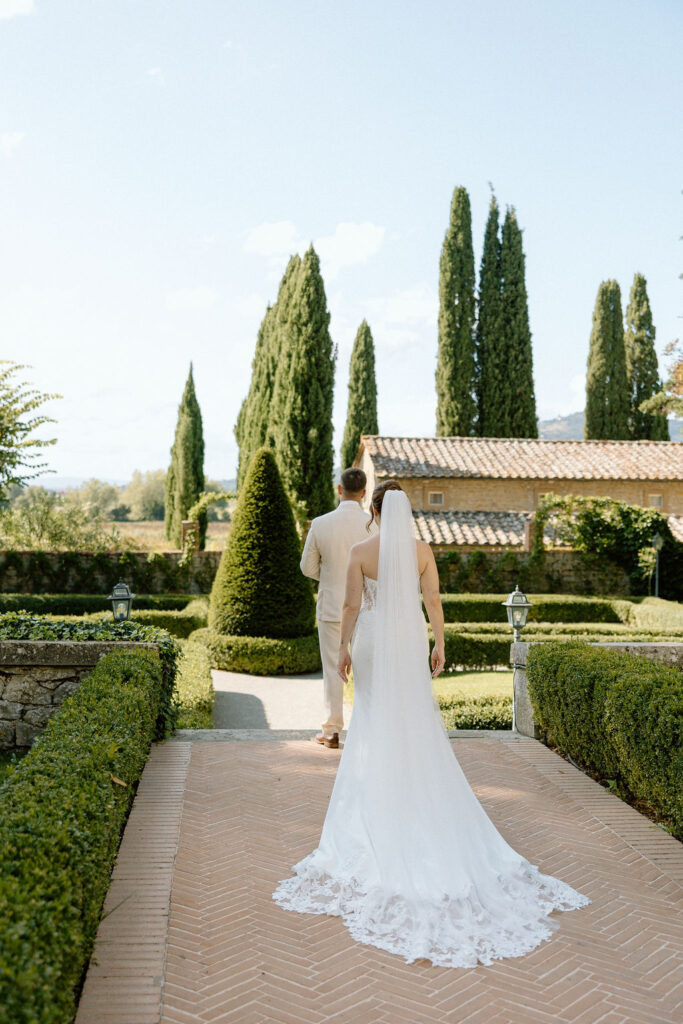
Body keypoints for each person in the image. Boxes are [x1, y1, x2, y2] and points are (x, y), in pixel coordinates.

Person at [274, 481, 590, 968]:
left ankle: (380, 795)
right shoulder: (423, 551)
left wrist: (341, 650)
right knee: (415, 717)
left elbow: (352, 608)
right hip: (408, 643)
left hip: (374, 644)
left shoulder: (362, 549)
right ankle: (413, 787)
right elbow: (434, 603)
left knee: (374, 718)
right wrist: (440, 644)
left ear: (374, 510)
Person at [300, 466, 375, 749]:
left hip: (332, 607)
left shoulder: (320, 523)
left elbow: (307, 567)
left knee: (333, 668)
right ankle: (366, 731)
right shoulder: (373, 524)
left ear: (339, 490)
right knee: (366, 667)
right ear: (364, 494)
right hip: (366, 607)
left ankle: (331, 731)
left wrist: (332, 576)